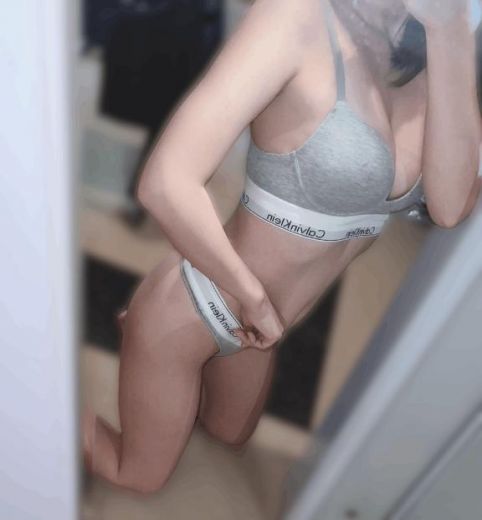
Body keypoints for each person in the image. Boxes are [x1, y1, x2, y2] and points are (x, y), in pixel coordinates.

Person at [82, 0, 482, 495]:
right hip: (206, 300)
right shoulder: (297, 16)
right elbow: (164, 183)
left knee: (228, 434)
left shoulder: (427, 51)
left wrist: (450, 31)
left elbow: (450, 207)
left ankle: (152, 361)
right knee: (140, 475)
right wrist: (253, 301)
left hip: (264, 328)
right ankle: (42, 398)